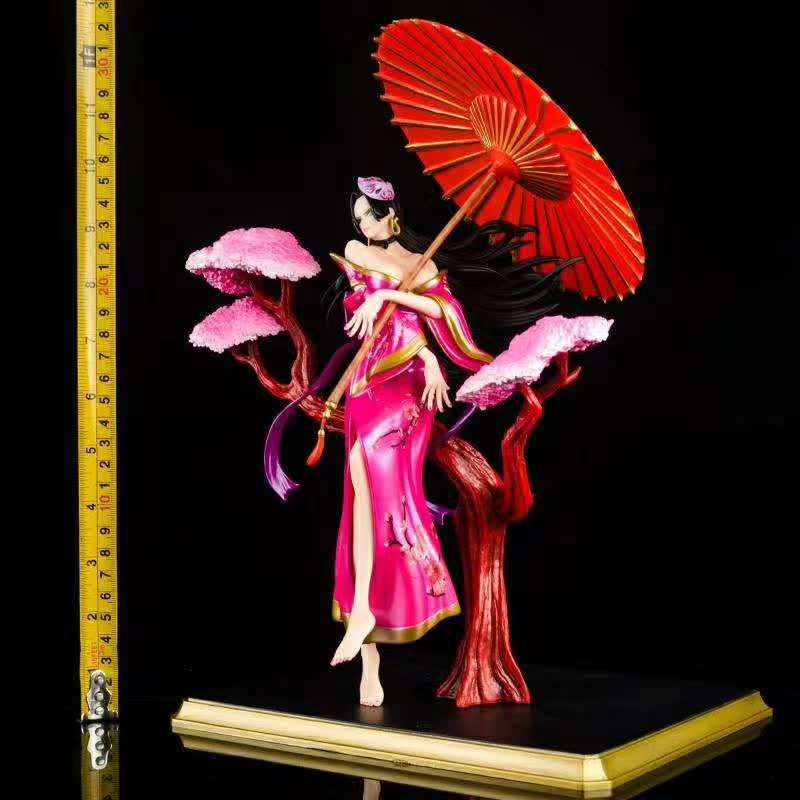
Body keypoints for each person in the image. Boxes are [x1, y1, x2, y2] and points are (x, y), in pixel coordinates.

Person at [325, 176, 571, 706]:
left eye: (369, 215)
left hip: (411, 386)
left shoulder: (423, 262)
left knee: (381, 492)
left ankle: (367, 612)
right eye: (358, 217)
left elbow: (445, 314)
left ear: (391, 214)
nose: (362, 225)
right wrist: (402, 307)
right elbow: (366, 310)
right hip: (369, 383)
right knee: (360, 493)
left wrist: (407, 316)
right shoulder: (357, 251)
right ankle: (368, 643)